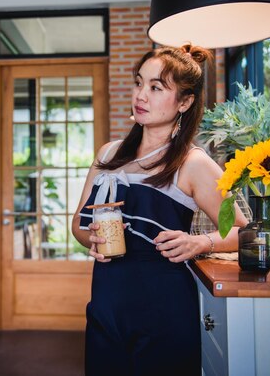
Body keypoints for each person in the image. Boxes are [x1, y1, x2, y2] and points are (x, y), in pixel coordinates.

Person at [72, 45, 248, 376]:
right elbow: (79, 223)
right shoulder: (109, 154)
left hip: (163, 311)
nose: (141, 95)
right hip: (105, 307)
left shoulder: (192, 164)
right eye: (139, 83)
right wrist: (90, 238)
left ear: (185, 102)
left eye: (156, 88)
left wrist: (200, 243)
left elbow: (242, 232)